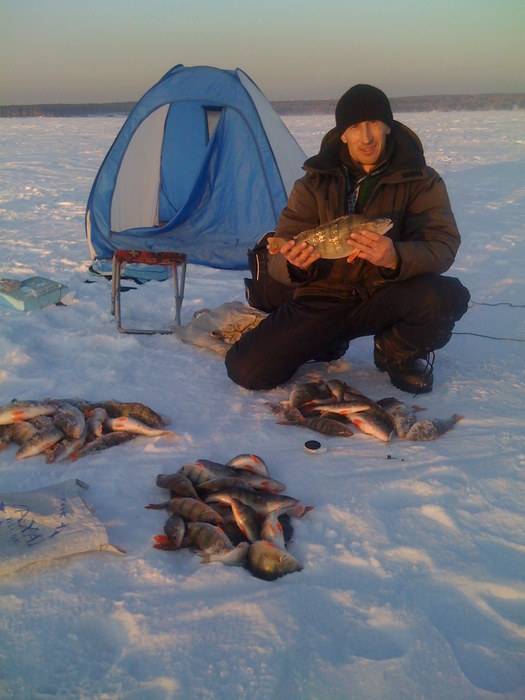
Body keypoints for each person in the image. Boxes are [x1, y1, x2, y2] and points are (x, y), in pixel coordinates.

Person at [225, 84, 470, 393]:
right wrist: (295, 266)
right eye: (355, 127)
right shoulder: (313, 183)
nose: (366, 137)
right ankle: (326, 341)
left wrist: (396, 258)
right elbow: (279, 254)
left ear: (387, 127)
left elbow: (442, 245)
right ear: (342, 134)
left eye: (373, 124)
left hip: (387, 293)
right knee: (246, 370)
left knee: (445, 297)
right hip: (323, 298)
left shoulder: (421, 179)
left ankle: (395, 352)